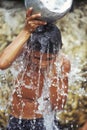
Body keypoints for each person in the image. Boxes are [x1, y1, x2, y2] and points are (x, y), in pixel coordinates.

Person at [0, 8, 71, 130]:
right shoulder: (22, 53)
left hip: (43, 121)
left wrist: (52, 74)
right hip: (16, 119)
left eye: (48, 59)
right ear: (29, 49)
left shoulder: (62, 63)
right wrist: (26, 31)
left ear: (57, 52)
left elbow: (59, 105)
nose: (42, 64)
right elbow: (2, 63)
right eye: (37, 58)